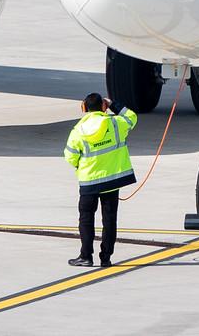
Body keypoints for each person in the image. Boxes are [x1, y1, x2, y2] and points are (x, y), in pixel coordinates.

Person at [63, 91, 137, 268]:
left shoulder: (78, 131)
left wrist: (80, 167)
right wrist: (113, 104)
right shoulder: (115, 123)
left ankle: (86, 256)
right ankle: (106, 258)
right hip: (111, 181)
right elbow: (132, 117)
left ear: (84, 108)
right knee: (109, 219)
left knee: (86, 219)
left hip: (89, 182)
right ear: (103, 107)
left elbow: (70, 156)